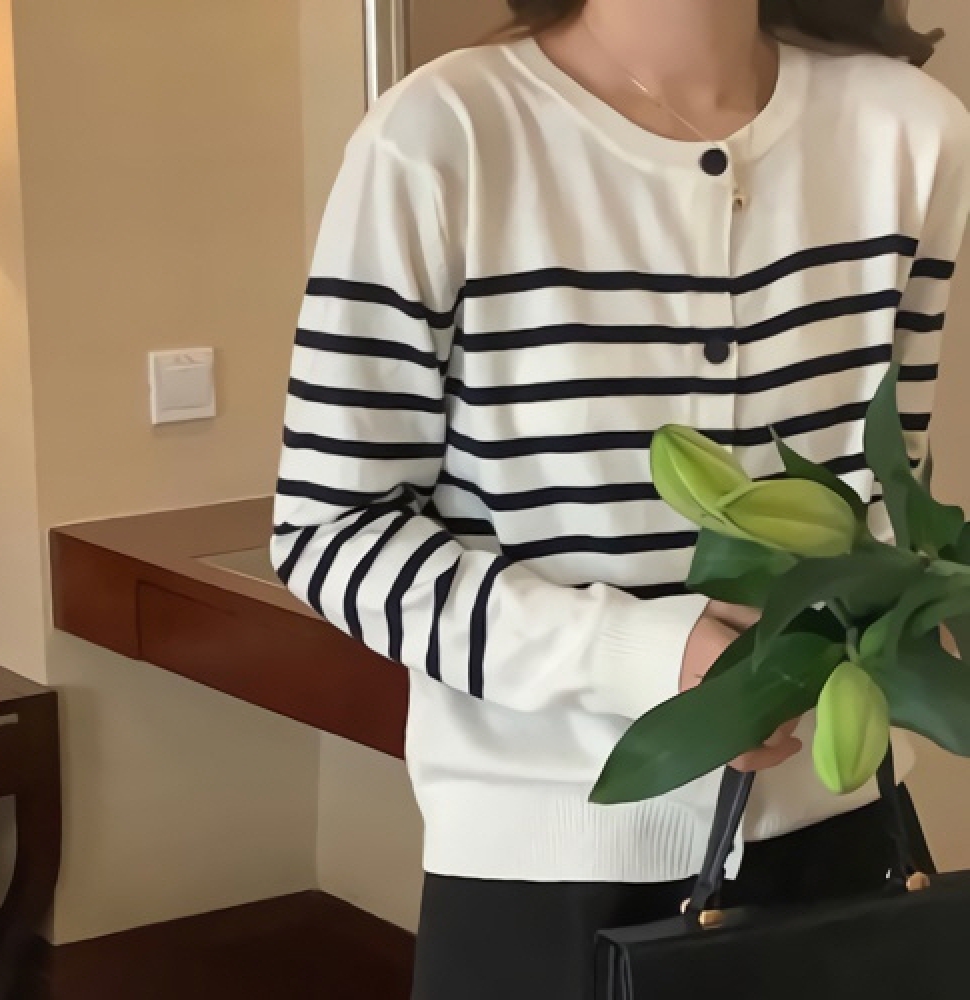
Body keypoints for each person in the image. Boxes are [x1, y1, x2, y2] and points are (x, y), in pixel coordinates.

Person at [270, 1, 969, 997]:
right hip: (544, 869)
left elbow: (887, 487)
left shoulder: (912, 133)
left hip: (849, 849)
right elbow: (330, 532)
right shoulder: (442, 137)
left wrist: (908, 620)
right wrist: (646, 656)